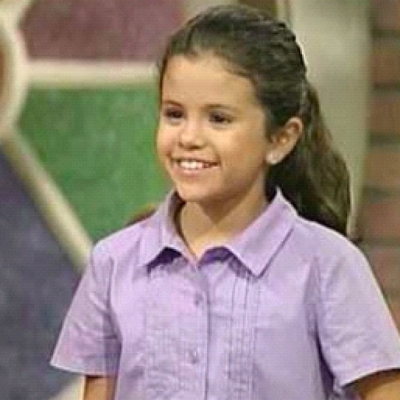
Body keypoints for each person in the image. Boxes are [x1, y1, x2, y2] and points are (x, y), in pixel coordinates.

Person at [51, 4, 400, 399]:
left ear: (281, 139)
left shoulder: (326, 266)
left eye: (218, 118)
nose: (189, 137)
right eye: (174, 114)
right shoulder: (114, 263)